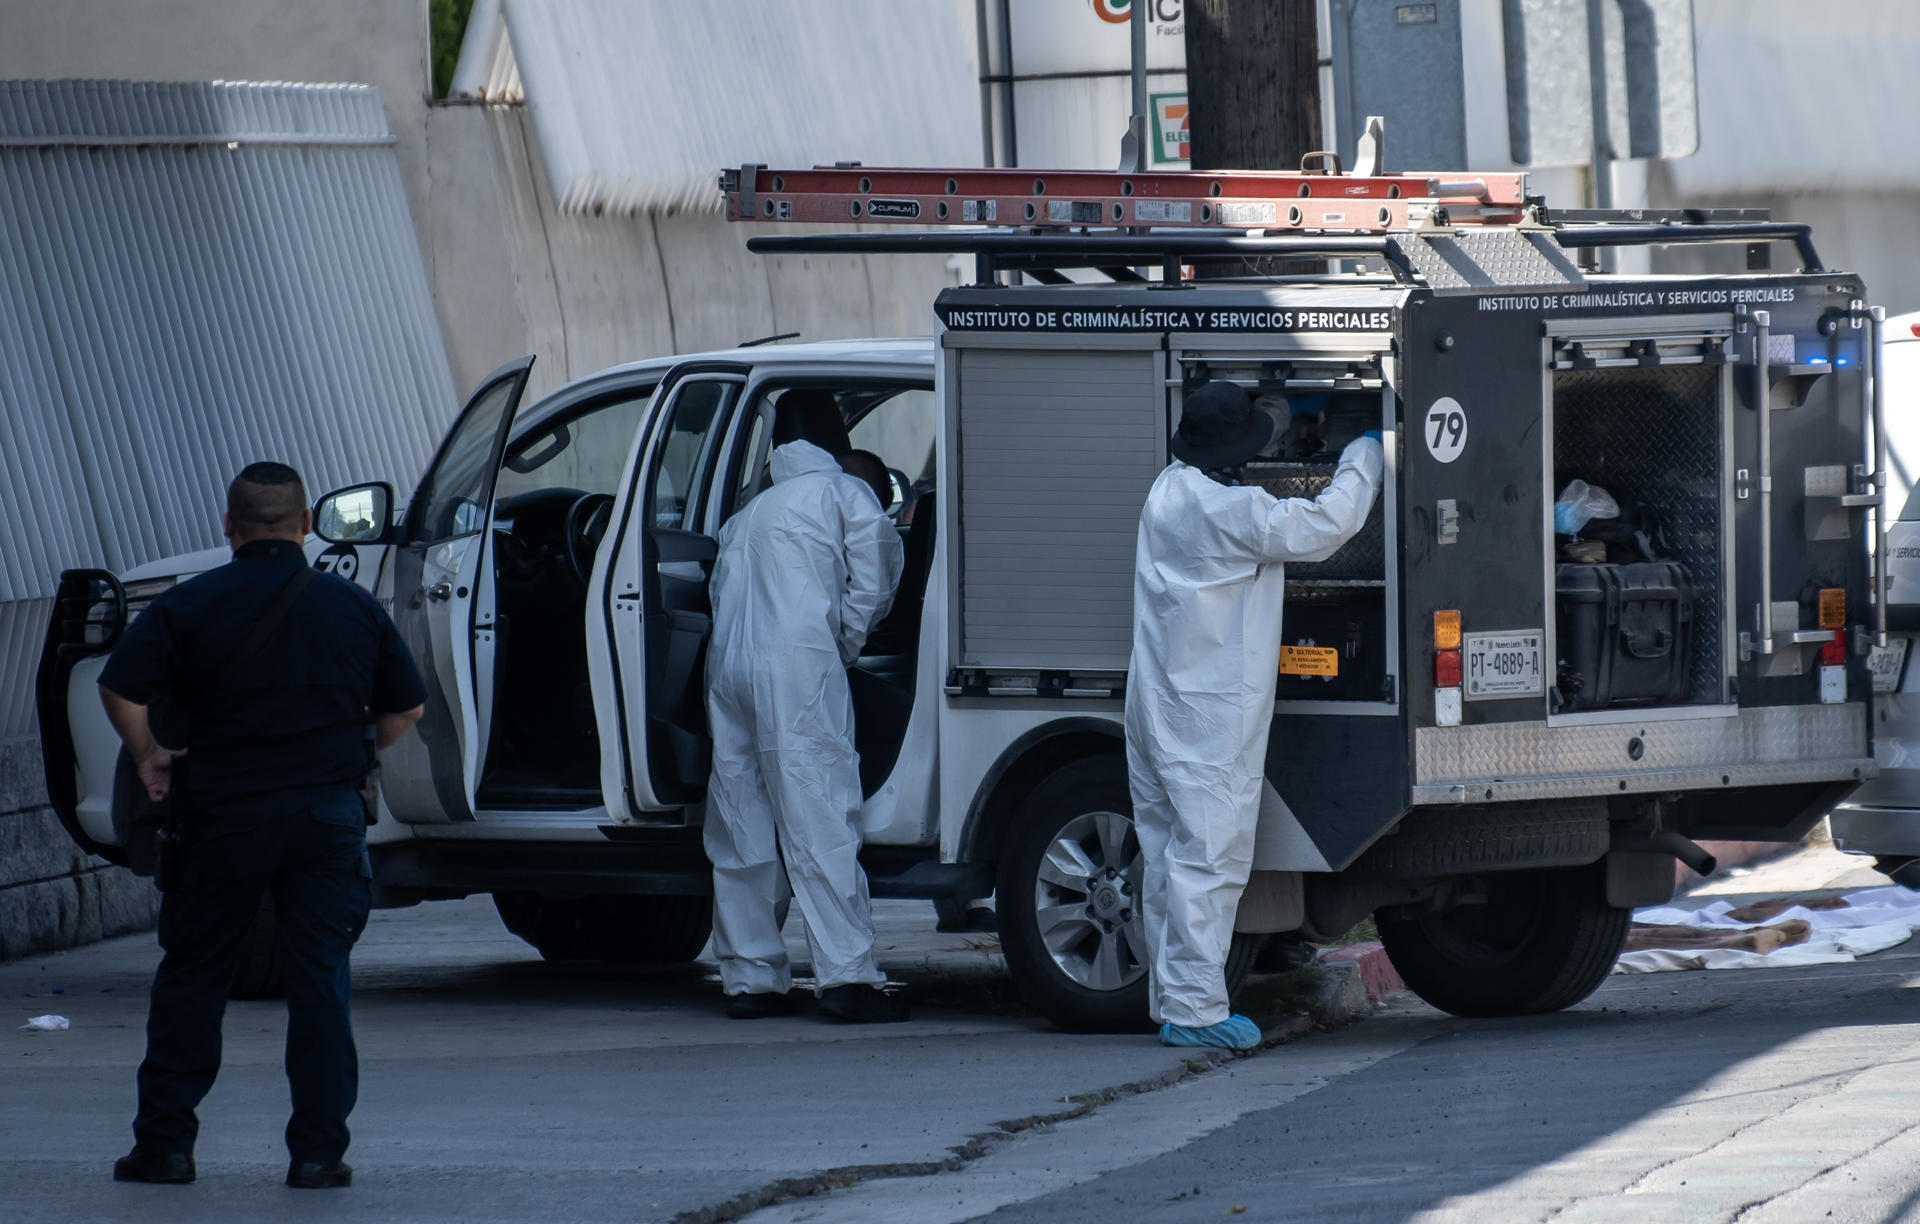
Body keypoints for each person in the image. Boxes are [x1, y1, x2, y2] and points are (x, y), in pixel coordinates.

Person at [98, 462, 426, 1189]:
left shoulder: (192, 605)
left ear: (229, 527)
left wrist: (151, 756)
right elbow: (406, 709)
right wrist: (356, 756)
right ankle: (317, 1155)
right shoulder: (353, 608)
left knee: (193, 976)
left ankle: (166, 1148)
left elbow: (118, 685)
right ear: (307, 525)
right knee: (320, 983)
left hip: (221, 816)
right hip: (324, 819)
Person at [1126, 382, 1383, 1050]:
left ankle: (1170, 996)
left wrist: (1279, 417)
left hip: (1155, 703)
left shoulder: (1168, 491)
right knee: (1209, 863)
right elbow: (1329, 526)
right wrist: (1365, 451)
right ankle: (1195, 1012)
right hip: (1206, 715)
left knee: (1166, 857)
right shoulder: (1232, 511)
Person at [703, 435, 907, 1023]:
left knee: (742, 826)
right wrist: (840, 644)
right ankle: (846, 979)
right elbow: (876, 575)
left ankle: (750, 980)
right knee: (819, 817)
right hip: (797, 668)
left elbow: (721, 594)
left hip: (730, 668)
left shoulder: (748, 514)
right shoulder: (842, 492)